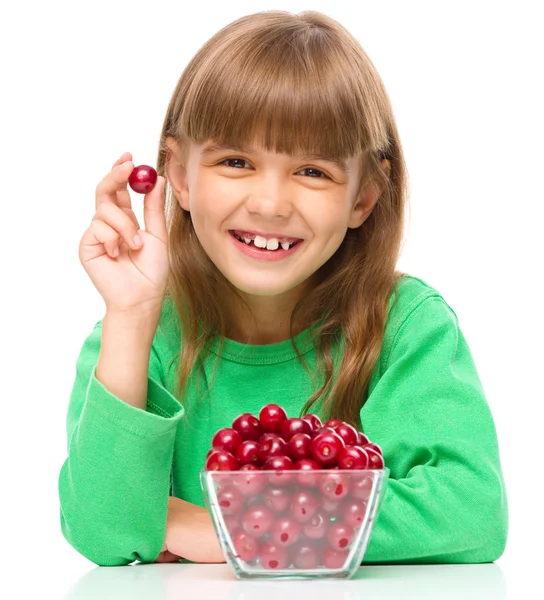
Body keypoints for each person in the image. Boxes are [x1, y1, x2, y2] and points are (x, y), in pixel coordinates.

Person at [58, 10, 508, 567]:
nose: (270, 204)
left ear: (364, 197)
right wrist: (130, 316)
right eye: (236, 161)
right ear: (178, 176)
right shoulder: (133, 338)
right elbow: (104, 533)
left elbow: (472, 512)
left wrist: (240, 529)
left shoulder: (407, 326)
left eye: (313, 171)